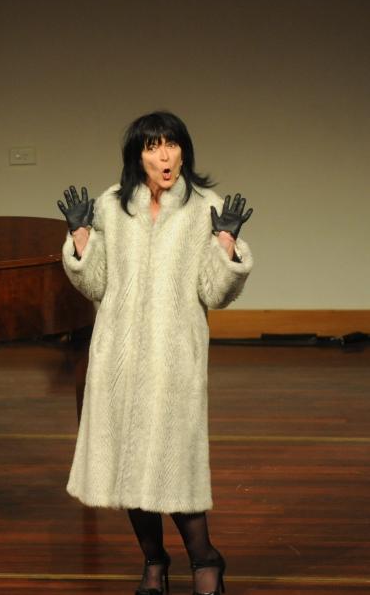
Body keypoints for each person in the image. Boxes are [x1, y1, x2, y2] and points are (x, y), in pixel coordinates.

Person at [57, 111, 253, 595]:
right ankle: (154, 561)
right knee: (128, 465)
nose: (163, 156)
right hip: (117, 356)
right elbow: (96, 283)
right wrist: (81, 241)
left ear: (185, 151)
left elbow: (214, 291)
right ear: (137, 156)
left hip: (173, 355)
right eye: (152, 147)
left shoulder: (205, 207)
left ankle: (205, 558)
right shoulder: (110, 207)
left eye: (171, 145)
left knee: (174, 462)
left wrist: (225, 244)